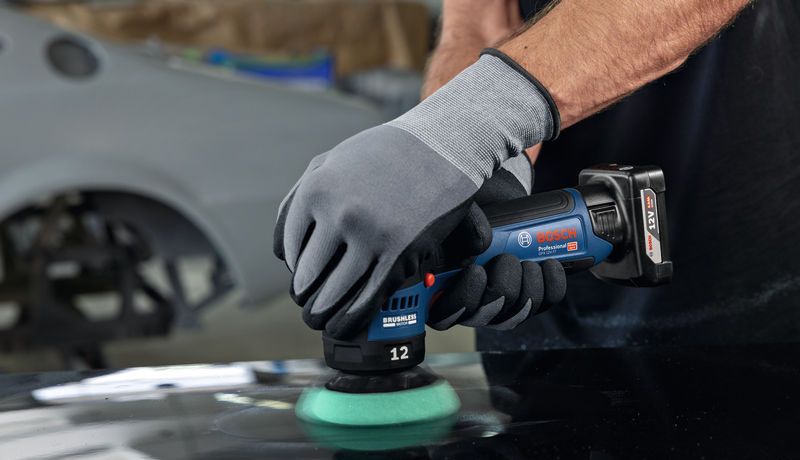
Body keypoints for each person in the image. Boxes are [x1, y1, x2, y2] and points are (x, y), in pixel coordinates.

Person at [275, 0, 798, 348]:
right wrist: (489, 170)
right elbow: (479, 20)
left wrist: (456, 131)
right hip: (541, 297)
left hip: (742, 288)